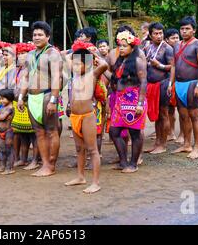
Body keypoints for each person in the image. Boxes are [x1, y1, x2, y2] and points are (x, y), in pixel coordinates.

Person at [18, 21, 63, 177]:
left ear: (48, 36)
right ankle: (44, 164)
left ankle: (51, 165)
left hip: (46, 95)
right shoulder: (30, 54)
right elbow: (25, 76)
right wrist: (20, 97)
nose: (36, 37)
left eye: (40, 35)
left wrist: (53, 100)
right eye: (34, 35)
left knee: (51, 131)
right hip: (32, 97)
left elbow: (57, 77)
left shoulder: (53, 54)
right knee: (39, 132)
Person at [65, 45, 108, 194]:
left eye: (78, 64)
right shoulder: (75, 75)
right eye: (74, 63)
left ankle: (95, 183)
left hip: (87, 116)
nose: (75, 66)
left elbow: (104, 65)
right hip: (75, 116)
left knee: (92, 150)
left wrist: (94, 56)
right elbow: (65, 58)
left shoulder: (92, 74)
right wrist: (73, 52)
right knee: (79, 149)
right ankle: (80, 177)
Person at [109, 29, 147, 173]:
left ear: (132, 47)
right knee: (114, 131)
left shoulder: (137, 60)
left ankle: (133, 163)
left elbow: (144, 82)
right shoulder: (120, 61)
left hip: (134, 99)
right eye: (120, 46)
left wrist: (140, 103)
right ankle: (123, 161)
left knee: (135, 132)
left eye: (124, 46)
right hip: (120, 99)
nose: (121, 48)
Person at [171, 16, 198, 159]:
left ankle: (197, 147)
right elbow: (173, 65)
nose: (184, 31)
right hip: (179, 84)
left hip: (192, 84)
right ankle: (186, 144)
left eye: (187, 29)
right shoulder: (176, 45)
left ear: (194, 30)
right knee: (183, 116)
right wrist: (170, 83)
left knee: (194, 115)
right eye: (182, 29)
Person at [143, 22, 174, 154]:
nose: (159, 36)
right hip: (151, 85)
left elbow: (173, 67)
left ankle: (163, 144)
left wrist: (159, 65)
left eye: (161, 33)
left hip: (163, 84)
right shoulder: (148, 47)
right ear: (150, 35)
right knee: (156, 115)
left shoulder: (167, 48)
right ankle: (157, 143)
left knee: (164, 114)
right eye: (155, 33)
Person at [12, 42, 39, 170]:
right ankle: (23, 159)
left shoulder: (33, 69)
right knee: (22, 134)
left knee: (34, 134)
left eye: (23, 53)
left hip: (30, 103)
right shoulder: (18, 70)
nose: (20, 56)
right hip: (19, 104)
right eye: (19, 53)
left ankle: (35, 160)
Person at [0, 89, 16, 175]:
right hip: (1, 132)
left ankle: (9, 168)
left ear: (9, 98)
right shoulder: (3, 107)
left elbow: (2, 117)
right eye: (0, 99)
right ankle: (2, 166)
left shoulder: (10, 108)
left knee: (8, 150)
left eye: (3, 99)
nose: (1, 101)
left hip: (8, 132)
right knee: (2, 149)